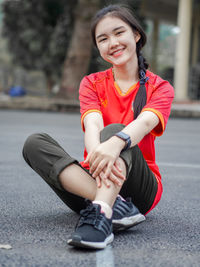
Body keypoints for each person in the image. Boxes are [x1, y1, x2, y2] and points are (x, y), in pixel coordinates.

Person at [22, 4, 174, 250]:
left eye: (118, 33)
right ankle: (115, 204)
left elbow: (145, 122)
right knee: (34, 143)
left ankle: (100, 215)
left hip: (140, 188)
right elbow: (92, 123)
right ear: (98, 47)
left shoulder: (160, 87)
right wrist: (97, 157)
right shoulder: (92, 83)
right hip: (93, 176)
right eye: (103, 39)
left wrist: (113, 144)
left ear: (136, 35)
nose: (112, 42)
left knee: (116, 131)